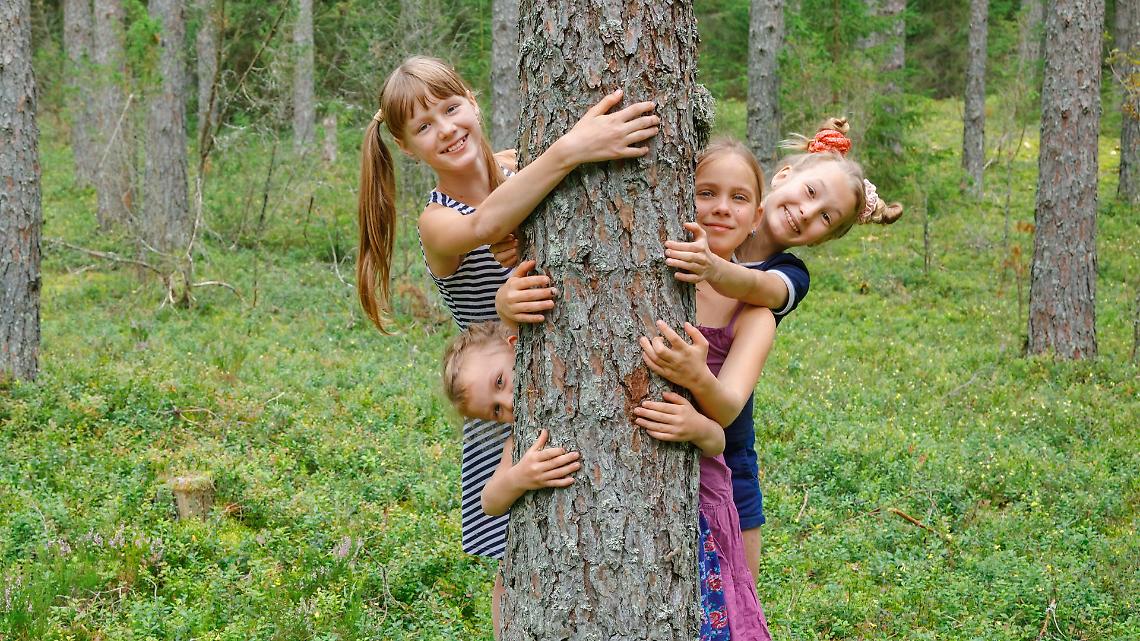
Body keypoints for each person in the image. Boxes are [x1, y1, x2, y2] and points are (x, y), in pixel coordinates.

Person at [356, 55, 660, 633]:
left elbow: (514, 202)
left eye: (451, 109)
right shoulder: (437, 220)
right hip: (497, 399)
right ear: (404, 145)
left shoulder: (517, 167)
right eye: (423, 127)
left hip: (559, 377)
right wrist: (572, 147)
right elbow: (487, 225)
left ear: (472, 100)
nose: (445, 129)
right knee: (518, 561)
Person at [439, 321, 737, 640]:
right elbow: (490, 501)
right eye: (496, 410)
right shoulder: (525, 438)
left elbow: (717, 442)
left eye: (501, 381)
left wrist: (697, 427)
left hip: (663, 546)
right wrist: (519, 476)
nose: (509, 403)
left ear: (518, 346)